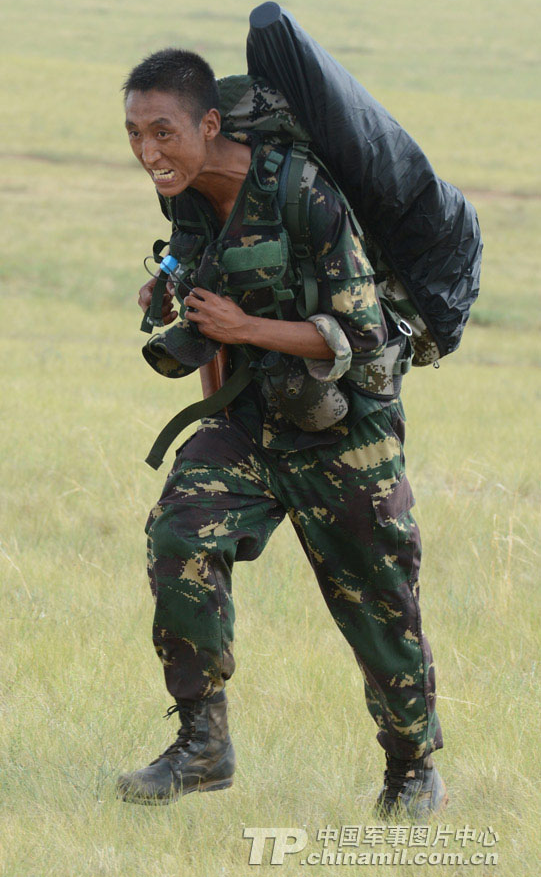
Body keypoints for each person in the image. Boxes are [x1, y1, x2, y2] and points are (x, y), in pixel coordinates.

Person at [116, 47, 447, 817]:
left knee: (378, 609)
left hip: (343, 436)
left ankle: (411, 770)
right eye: (134, 133)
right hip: (249, 421)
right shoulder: (188, 197)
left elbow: (363, 339)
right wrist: (171, 290)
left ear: (207, 122)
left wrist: (246, 326)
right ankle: (202, 746)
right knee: (179, 535)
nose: (148, 152)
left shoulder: (305, 195)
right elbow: (200, 266)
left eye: (162, 132)